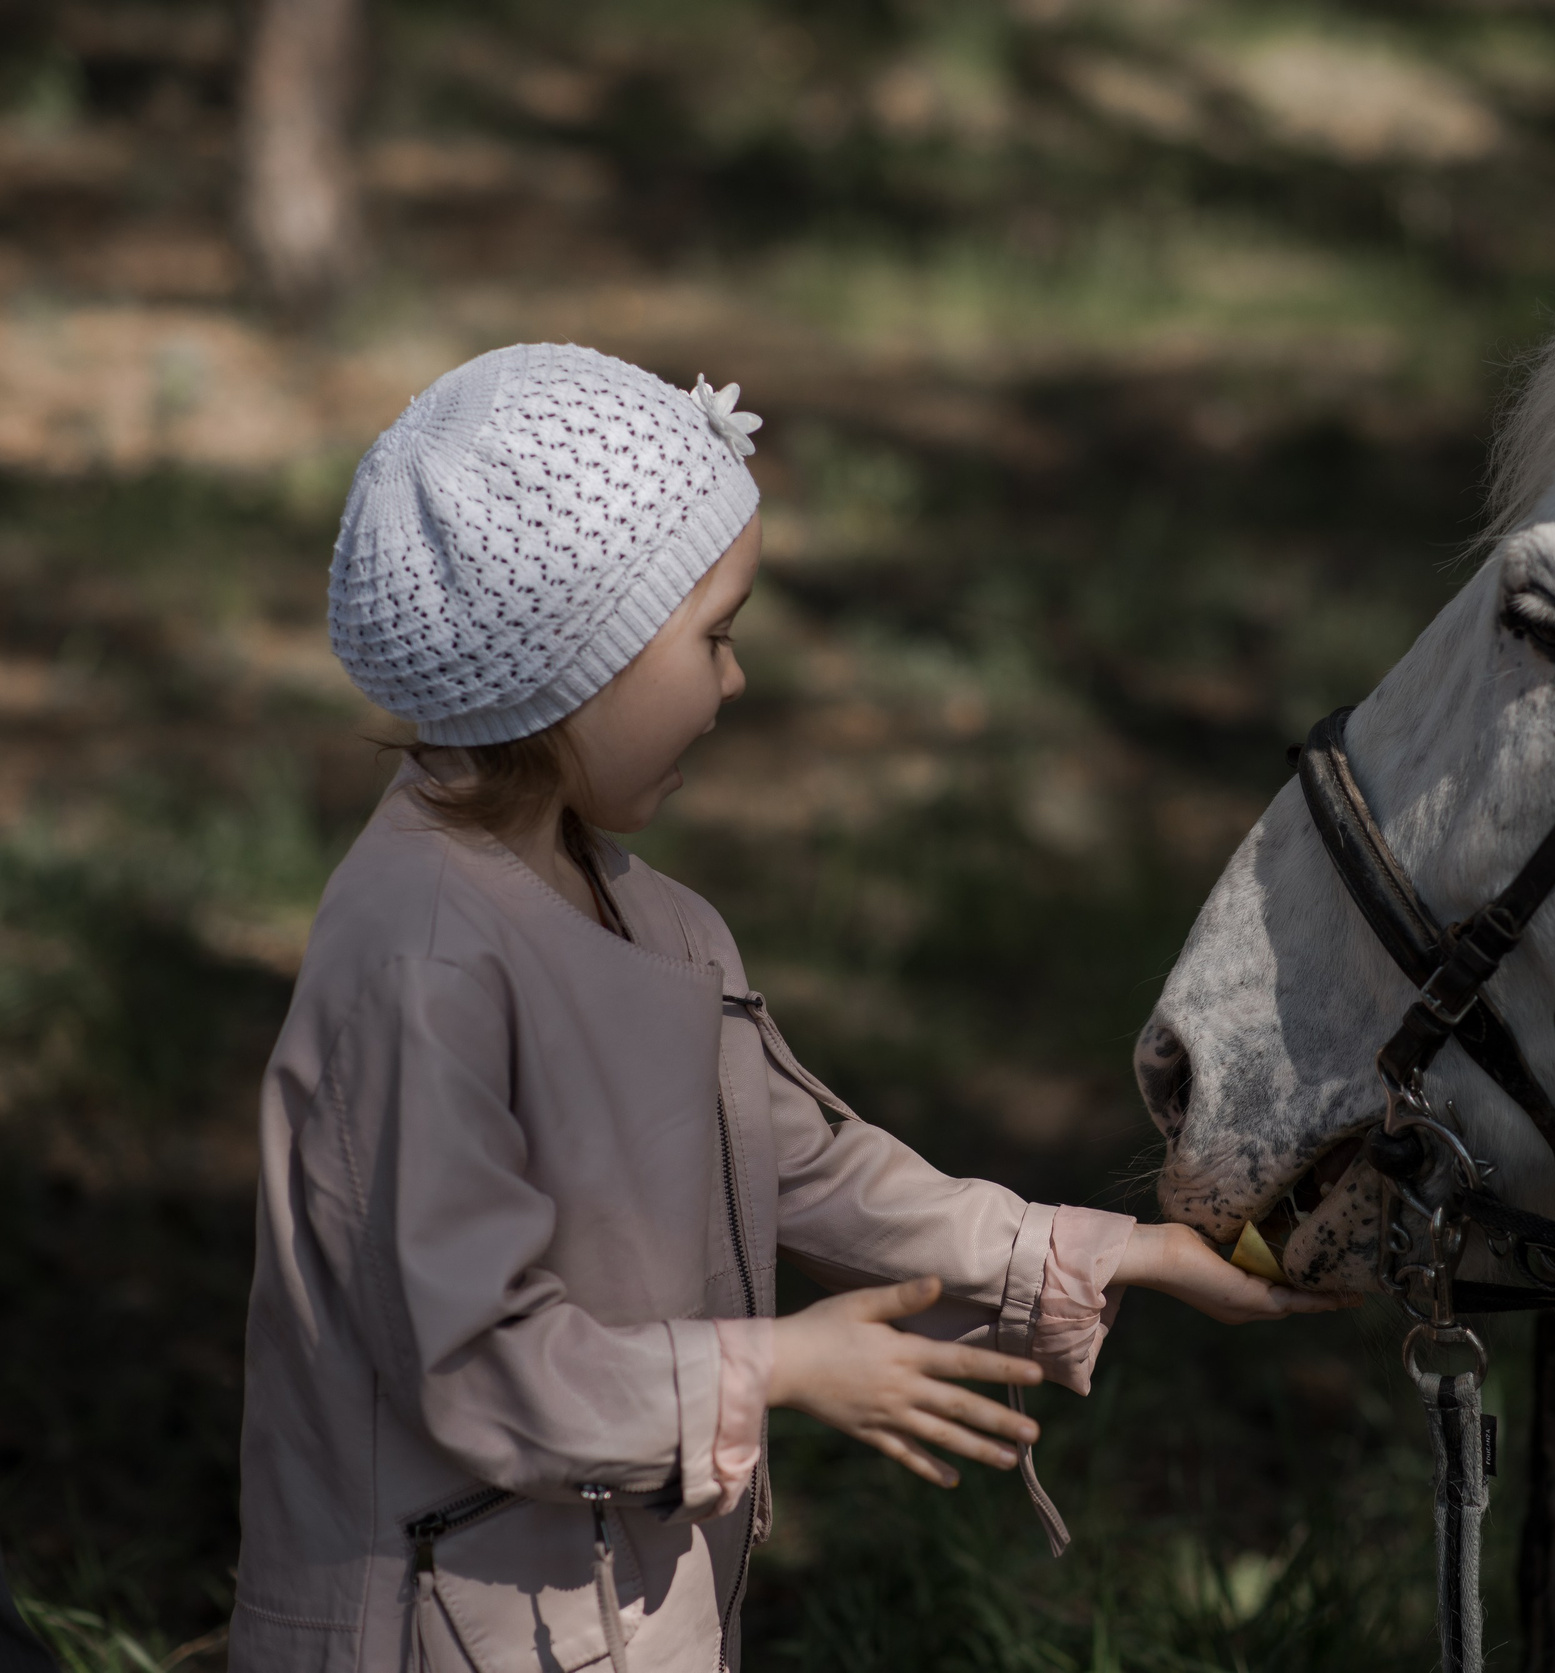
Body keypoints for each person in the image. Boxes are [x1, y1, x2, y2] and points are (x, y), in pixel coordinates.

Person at [228, 344, 1348, 1673]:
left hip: (611, 1617)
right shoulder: (421, 959)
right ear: (582, 659)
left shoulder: (654, 918)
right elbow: (474, 1361)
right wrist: (775, 1368)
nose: (737, 681)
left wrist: (1111, 1255)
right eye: (714, 635)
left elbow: (807, 1170)